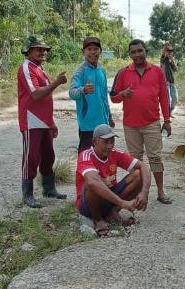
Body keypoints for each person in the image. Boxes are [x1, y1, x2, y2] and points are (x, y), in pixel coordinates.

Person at [110, 39, 172, 204]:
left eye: (140, 51)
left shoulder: (158, 71)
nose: (137, 55)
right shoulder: (123, 73)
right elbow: (113, 98)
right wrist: (123, 94)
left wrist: (167, 120)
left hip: (152, 123)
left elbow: (164, 97)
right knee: (135, 160)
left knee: (155, 158)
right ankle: (138, 193)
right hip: (130, 125)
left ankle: (160, 191)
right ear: (129, 54)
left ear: (146, 51)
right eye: (133, 52)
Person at [17, 36, 68, 208]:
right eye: (38, 49)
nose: (43, 52)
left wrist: (51, 122)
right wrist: (56, 83)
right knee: (31, 157)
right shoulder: (26, 68)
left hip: (44, 120)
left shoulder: (40, 69)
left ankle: (48, 188)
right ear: (29, 51)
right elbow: (36, 94)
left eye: (45, 49)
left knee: (48, 156)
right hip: (32, 120)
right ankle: (27, 194)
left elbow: (45, 99)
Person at [76, 124, 151, 237]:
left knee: (138, 175)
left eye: (112, 142)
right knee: (91, 183)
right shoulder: (85, 155)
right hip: (88, 205)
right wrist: (123, 203)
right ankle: (98, 219)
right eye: (105, 142)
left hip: (109, 199)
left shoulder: (115, 153)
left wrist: (144, 192)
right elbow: (92, 182)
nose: (110, 146)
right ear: (94, 142)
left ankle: (112, 212)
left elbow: (143, 166)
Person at [69, 37, 114, 153]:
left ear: (100, 51)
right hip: (87, 124)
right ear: (83, 51)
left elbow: (104, 98)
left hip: (103, 122)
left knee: (103, 155)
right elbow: (72, 93)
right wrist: (83, 90)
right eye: (89, 49)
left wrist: (109, 117)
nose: (93, 52)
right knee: (86, 156)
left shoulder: (102, 70)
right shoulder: (80, 71)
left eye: (96, 49)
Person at [160, 42, 179, 114]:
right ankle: (167, 115)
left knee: (175, 99)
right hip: (166, 82)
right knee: (168, 100)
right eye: (168, 51)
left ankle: (170, 111)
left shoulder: (172, 60)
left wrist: (173, 61)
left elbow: (176, 70)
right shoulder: (163, 59)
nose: (170, 53)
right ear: (165, 51)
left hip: (172, 82)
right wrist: (166, 48)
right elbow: (162, 64)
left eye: (171, 51)